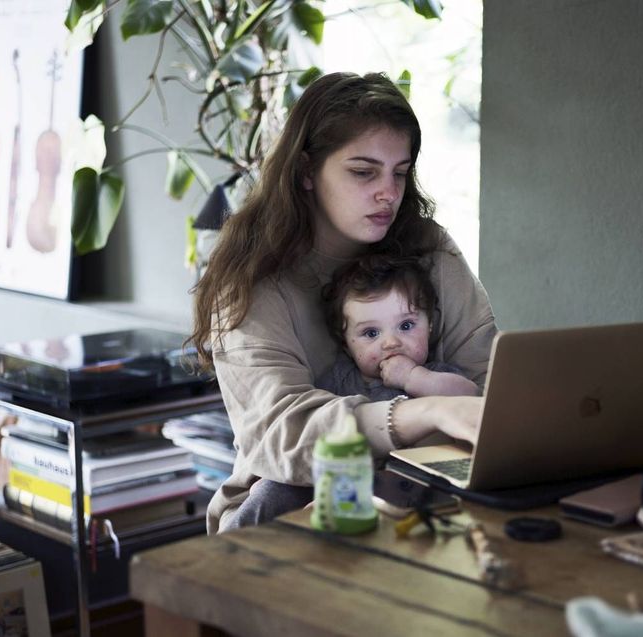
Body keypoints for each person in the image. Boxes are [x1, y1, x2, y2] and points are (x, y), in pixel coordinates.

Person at [191, 72, 497, 533]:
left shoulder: (428, 251)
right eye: (363, 171)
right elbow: (281, 435)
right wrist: (426, 410)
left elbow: (490, 380)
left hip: (417, 490)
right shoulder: (251, 280)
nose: (389, 193)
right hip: (287, 507)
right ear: (306, 171)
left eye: (400, 172)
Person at [317, 253, 479, 400]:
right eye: (371, 333)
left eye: (406, 325)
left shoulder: (437, 374)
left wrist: (413, 378)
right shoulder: (339, 381)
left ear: (429, 325)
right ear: (345, 345)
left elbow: (474, 398)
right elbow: (315, 419)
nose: (391, 342)